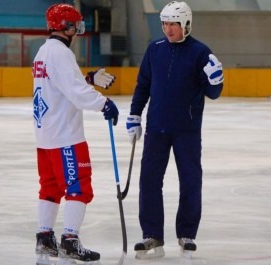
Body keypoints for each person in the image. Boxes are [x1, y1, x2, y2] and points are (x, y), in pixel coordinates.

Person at [125, 1, 224, 259]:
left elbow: (213, 93)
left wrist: (217, 81)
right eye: (165, 24)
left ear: (186, 25)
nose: (168, 29)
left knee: (190, 181)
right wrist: (135, 114)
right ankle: (152, 235)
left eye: (174, 24)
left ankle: (187, 234)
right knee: (148, 180)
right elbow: (143, 84)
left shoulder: (200, 52)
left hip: (187, 130)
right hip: (156, 128)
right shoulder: (154, 49)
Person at [32, 3, 119, 264]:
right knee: (79, 187)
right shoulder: (60, 53)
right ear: (66, 27)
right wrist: (104, 103)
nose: (77, 31)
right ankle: (70, 240)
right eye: (75, 26)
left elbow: (60, 84)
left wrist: (88, 79)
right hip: (65, 136)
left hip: (45, 136)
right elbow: (76, 93)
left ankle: (44, 237)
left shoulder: (43, 51)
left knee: (49, 187)